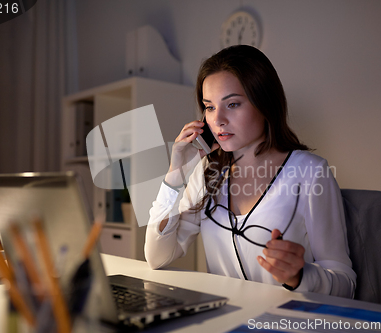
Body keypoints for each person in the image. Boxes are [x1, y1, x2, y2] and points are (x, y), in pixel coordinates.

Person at [144, 45, 356, 298]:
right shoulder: (208, 173)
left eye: (232, 104)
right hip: (227, 320)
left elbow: (345, 284)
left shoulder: (310, 172)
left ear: (264, 104)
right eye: (209, 107)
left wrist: (299, 277)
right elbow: (157, 257)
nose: (218, 119)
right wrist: (175, 173)